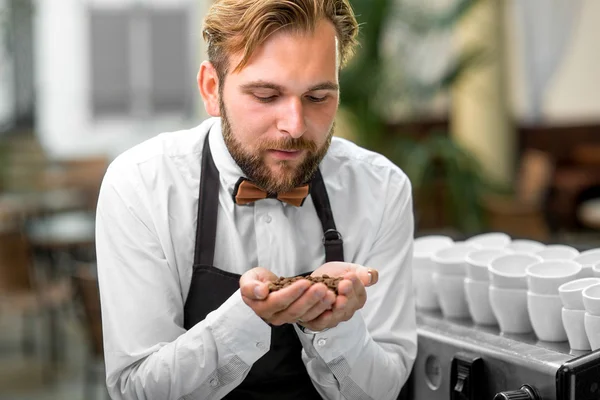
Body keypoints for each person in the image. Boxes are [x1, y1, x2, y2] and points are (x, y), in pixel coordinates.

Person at [96, 0, 416, 399]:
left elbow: (382, 392)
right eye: (266, 95)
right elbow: (137, 390)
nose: (294, 126)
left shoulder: (381, 189)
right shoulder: (141, 185)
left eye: (318, 97)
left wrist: (334, 327)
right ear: (212, 89)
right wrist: (245, 319)